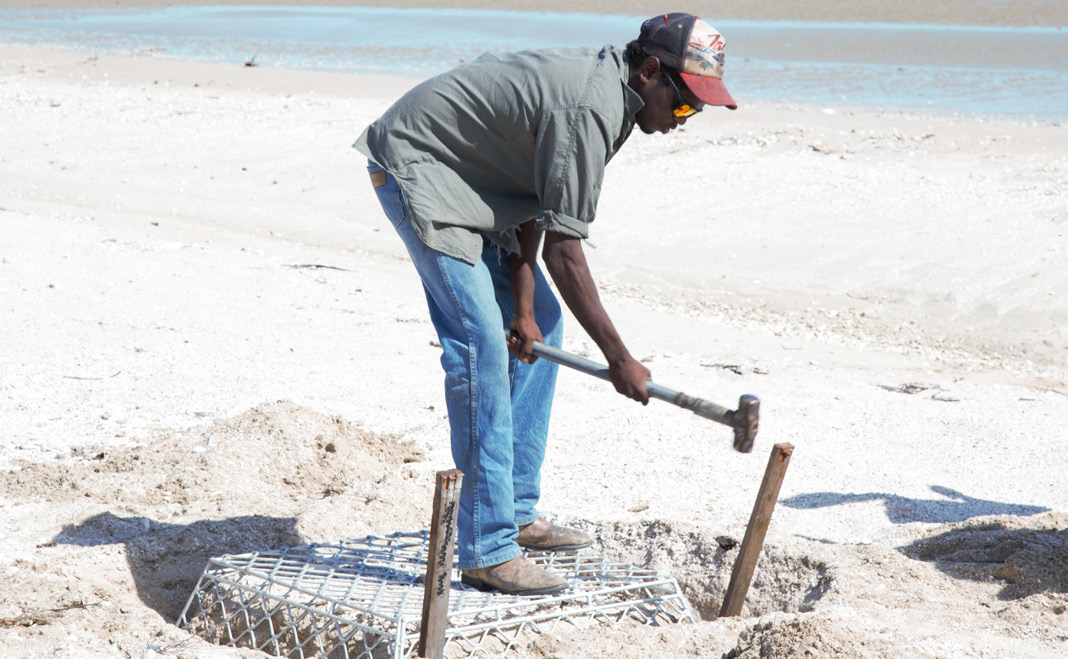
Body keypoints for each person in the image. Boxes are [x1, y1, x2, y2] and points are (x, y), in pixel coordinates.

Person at [353, 12, 737, 596]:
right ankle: (486, 548)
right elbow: (566, 252)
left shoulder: (617, 97)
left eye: (697, 111)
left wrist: (527, 307)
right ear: (652, 70)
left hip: (484, 185)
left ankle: (518, 511)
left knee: (545, 328)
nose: (685, 120)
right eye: (684, 105)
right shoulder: (592, 109)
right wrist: (619, 360)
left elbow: (539, 198)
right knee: (480, 347)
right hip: (422, 169)